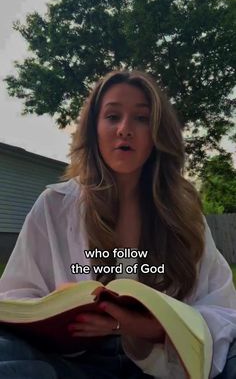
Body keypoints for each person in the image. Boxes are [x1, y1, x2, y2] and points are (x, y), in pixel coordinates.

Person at [0, 69, 235, 379]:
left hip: (162, 360)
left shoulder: (184, 212)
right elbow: (14, 298)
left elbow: (222, 310)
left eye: (141, 119)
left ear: (157, 133)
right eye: (112, 117)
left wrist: (151, 328)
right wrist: (55, 306)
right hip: (75, 363)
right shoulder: (54, 205)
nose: (125, 129)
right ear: (93, 128)